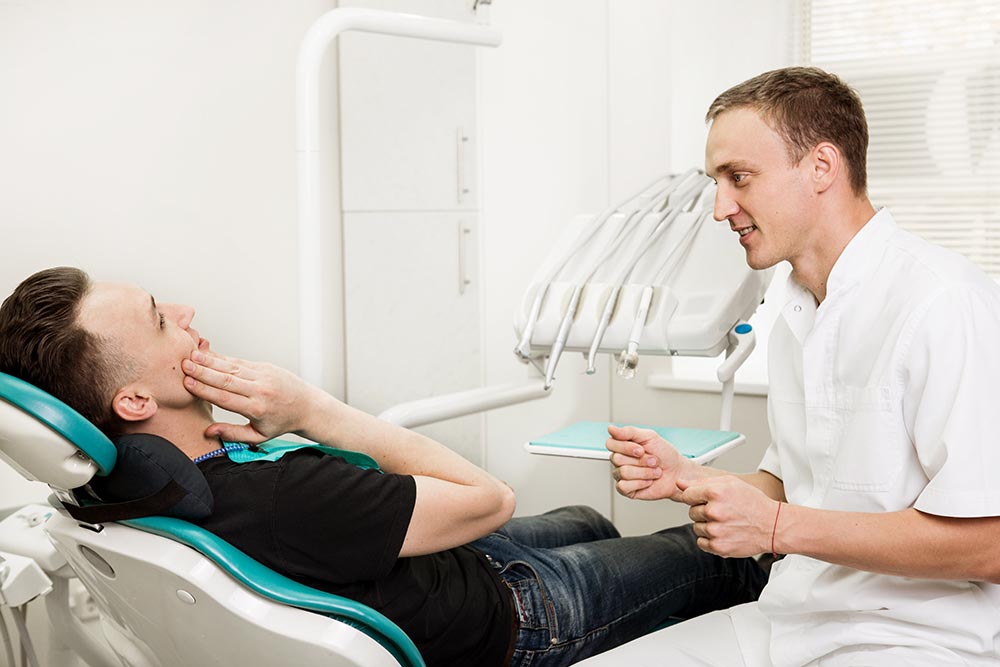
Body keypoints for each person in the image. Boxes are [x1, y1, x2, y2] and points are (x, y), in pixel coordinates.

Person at [0, 267, 767, 667]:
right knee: (721, 555)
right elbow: (489, 497)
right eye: (164, 320)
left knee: (592, 520)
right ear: (134, 399)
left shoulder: (108, 487)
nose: (190, 315)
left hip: (439, 570)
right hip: (511, 621)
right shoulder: (281, 493)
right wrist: (310, 409)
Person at [583, 66, 1000, 666]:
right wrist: (689, 482)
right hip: (787, 621)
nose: (720, 207)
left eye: (740, 178)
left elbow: (989, 543)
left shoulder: (945, 303)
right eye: (716, 182)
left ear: (822, 167)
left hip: (915, 638)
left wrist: (776, 528)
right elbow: (794, 487)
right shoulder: (795, 314)